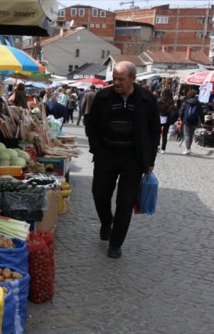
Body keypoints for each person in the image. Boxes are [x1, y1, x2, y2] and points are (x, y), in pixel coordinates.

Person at [86, 61, 160, 259]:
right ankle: (106, 220)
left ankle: (116, 242)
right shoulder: (103, 96)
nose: (116, 82)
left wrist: (149, 160)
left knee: (125, 202)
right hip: (107, 154)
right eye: (114, 78)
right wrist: (96, 149)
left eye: (121, 79)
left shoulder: (147, 99)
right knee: (99, 194)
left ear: (133, 79)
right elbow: (91, 124)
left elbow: (154, 131)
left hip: (133, 158)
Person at [177, 89, 205, 155]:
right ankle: (188, 148)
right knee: (191, 135)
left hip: (186, 120)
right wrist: (202, 121)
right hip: (195, 120)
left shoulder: (186, 102)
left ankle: (187, 148)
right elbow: (201, 113)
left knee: (186, 134)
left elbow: (181, 111)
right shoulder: (198, 103)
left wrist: (180, 118)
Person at [158, 88, 178, 154]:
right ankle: (163, 148)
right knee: (165, 134)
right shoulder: (171, 101)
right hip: (167, 118)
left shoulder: (160, 100)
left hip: (159, 117)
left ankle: (157, 145)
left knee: (157, 132)